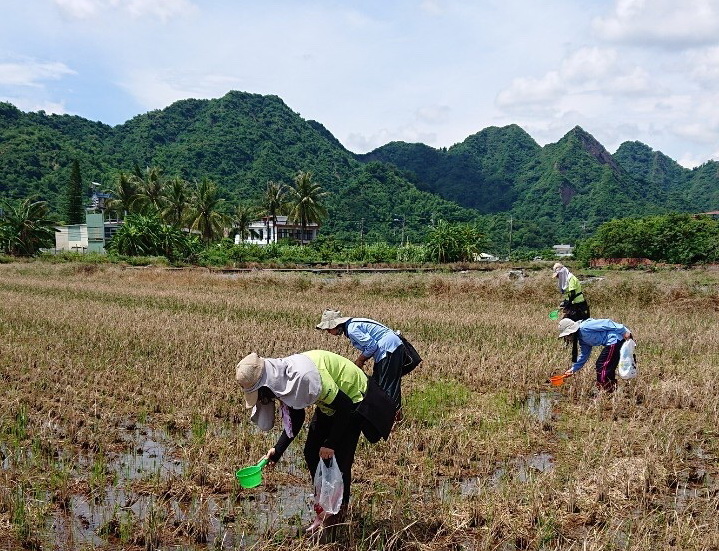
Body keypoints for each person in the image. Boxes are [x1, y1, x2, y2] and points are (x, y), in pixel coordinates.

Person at [235, 350, 395, 531]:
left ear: (265, 385)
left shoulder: (304, 378)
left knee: (338, 463)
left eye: (260, 395)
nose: (263, 399)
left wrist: (331, 443)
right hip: (331, 403)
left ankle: (336, 520)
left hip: (353, 401)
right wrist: (277, 450)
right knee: (311, 452)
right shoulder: (283, 380)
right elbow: (296, 418)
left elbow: (345, 407)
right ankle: (323, 507)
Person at [315, 309, 405, 417]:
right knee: (380, 384)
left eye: (329, 329)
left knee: (387, 385)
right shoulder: (351, 325)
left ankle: (393, 418)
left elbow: (372, 346)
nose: (329, 332)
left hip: (389, 350)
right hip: (389, 349)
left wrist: (360, 360)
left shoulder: (352, 329)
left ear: (336, 325)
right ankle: (389, 416)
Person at [558, 317, 633, 392]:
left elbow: (607, 323)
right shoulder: (582, 339)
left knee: (602, 365)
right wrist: (573, 369)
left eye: (567, 335)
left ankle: (605, 391)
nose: (567, 338)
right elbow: (584, 354)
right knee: (607, 366)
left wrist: (623, 331)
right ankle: (609, 390)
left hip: (617, 339)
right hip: (614, 342)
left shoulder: (585, 326)